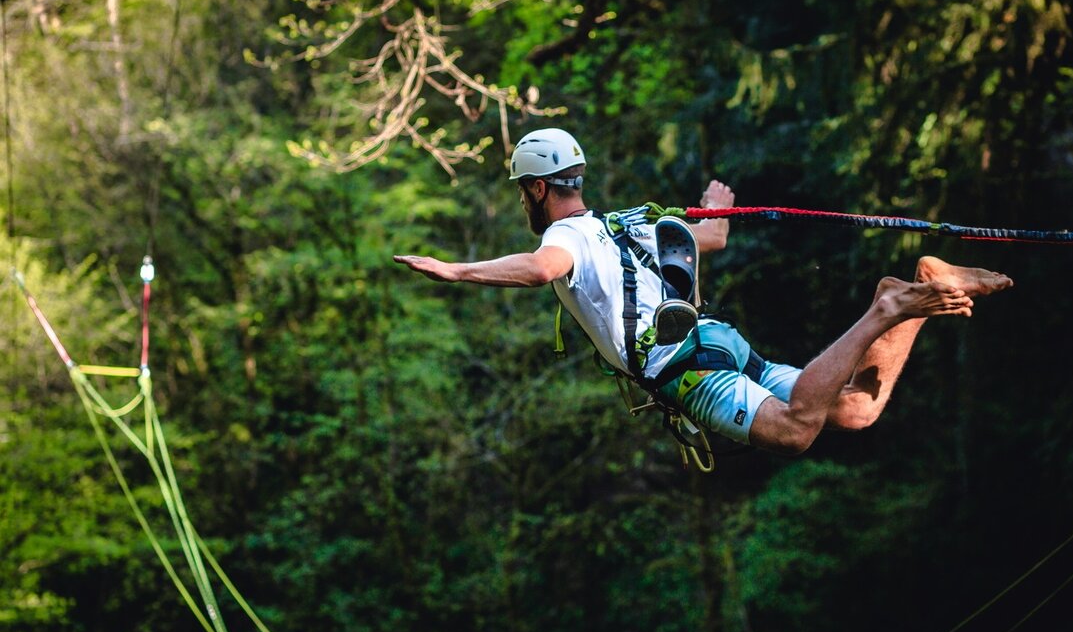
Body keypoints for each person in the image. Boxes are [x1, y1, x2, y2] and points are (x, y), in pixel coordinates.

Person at [394, 128, 1014, 454]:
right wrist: (716, 211)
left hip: (685, 368)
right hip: (715, 342)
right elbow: (709, 241)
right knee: (855, 409)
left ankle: (887, 308)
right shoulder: (623, 223)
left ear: (533, 189)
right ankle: (916, 291)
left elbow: (540, 269)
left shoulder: (570, 239)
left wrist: (455, 270)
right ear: (577, 178)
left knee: (797, 431)